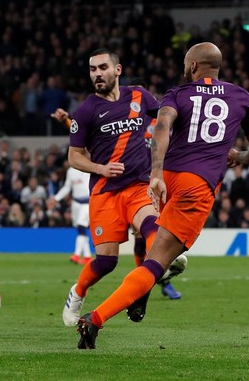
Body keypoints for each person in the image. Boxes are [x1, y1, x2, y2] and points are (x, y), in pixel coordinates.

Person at [76, 42, 249, 349]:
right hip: (197, 186)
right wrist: (237, 156)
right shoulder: (241, 96)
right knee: (157, 262)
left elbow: (162, 128)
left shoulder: (177, 93)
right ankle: (95, 319)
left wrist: (155, 175)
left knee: (151, 243)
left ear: (192, 66)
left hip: (168, 176)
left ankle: (141, 295)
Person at [57, 48, 187, 330]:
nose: (97, 74)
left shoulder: (139, 96)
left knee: (152, 226)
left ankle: (162, 266)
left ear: (117, 70)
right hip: (105, 193)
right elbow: (74, 156)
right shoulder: (86, 111)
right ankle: (77, 293)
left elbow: (165, 117)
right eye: (92, 70)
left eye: (102, 67)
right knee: (106, 262)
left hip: (139, 185)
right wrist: (100, 168)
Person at [50, 164, 93, 265]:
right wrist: (56, 198)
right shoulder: (71, 171)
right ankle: (87, 257)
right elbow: (67, 187)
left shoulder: (89, 167)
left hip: (87, 202)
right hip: (76, 203)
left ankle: (76, 255)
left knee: (81, 226)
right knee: (80, 230)